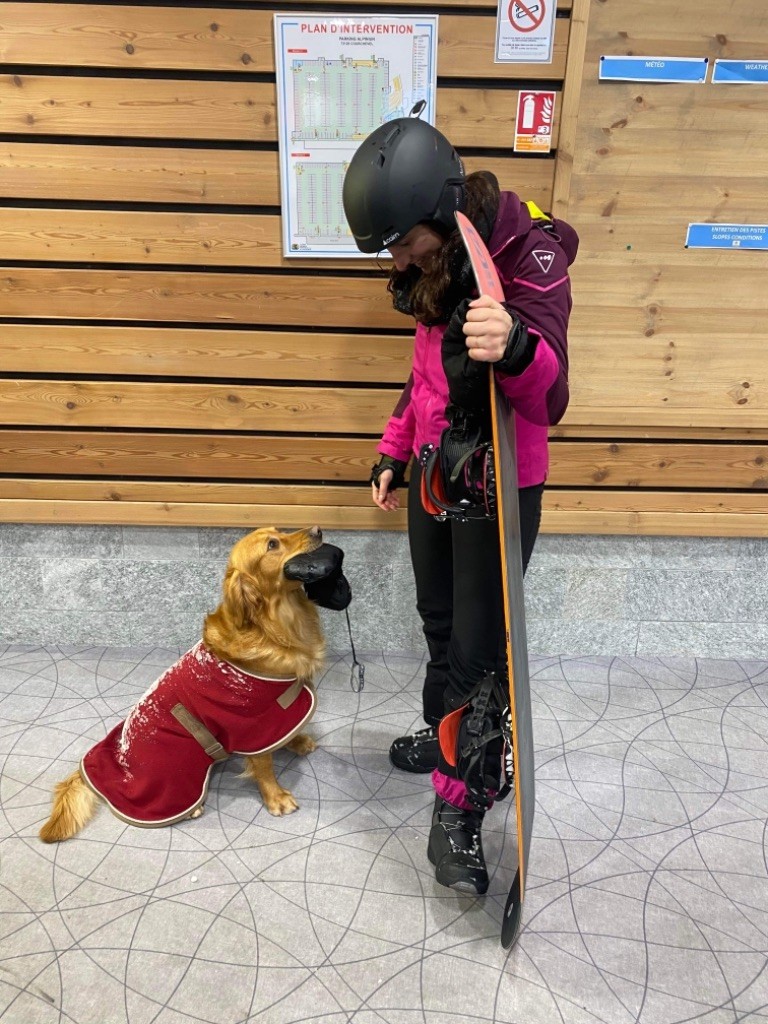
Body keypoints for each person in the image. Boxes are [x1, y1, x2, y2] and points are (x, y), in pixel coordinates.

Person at [342, 112, 578, 894]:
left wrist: (515, 346)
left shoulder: (529, 255)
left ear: (442, 212)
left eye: (403, 243)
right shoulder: (438, 266)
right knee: (440, 624)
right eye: (389, 250)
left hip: (499, 483)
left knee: (479, 656)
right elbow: (424, 376)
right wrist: (393, 448)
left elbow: (551, 398)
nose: (398, 261)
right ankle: (444, 738)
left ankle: (461, 805)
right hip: (434, 471)